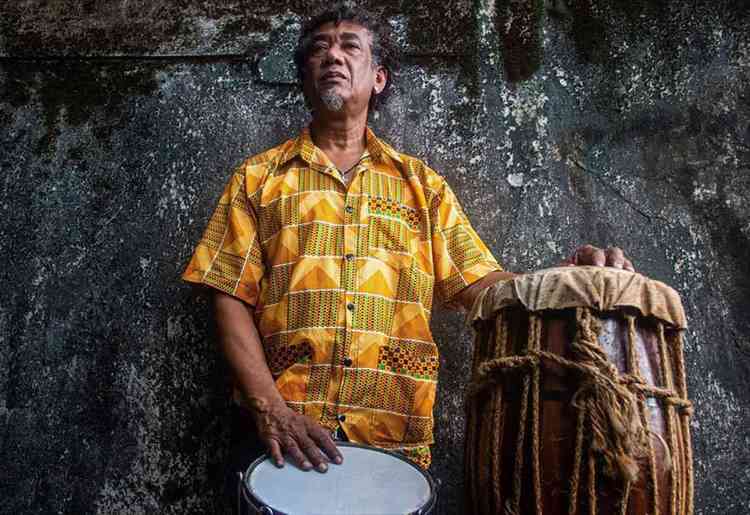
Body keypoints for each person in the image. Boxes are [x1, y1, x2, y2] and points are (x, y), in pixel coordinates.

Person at [182, 1, 633, 487]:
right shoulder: (257, 179)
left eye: (350, 46)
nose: (333, 56)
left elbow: (481, 284)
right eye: (319, 50)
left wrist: (566, 280)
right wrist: (271, 410)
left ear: (378, 78)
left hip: (392, 443)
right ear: (305, 76)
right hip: (284, 439)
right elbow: (228, 294)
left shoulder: (422, 187)